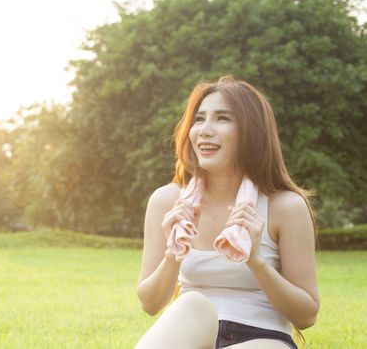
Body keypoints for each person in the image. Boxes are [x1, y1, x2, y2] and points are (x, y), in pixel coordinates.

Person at [135, 75, 320, 349]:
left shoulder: (286, 206)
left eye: (222, 118)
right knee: (193, 303)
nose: (205, 130)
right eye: (199, 119)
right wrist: (173, 254)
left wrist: (255, 260)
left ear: (251, 131)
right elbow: (149, 303)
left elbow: (306, 315)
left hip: (263, 337)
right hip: (192, 333)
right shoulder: (167, 201)